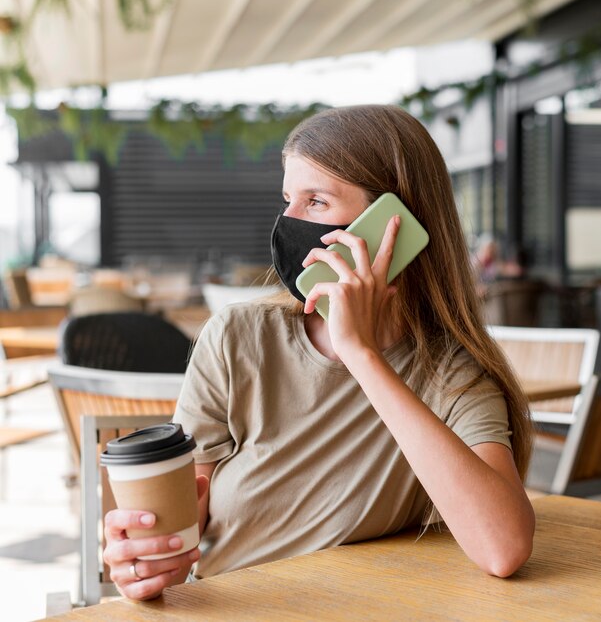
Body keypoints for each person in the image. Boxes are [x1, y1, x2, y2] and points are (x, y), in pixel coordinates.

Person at [103, 105, 535, 601]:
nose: (288, 222)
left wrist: (362, 354)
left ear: (392, 224)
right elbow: (179, 537)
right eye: (288, 199)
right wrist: (144, 564)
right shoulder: (237, 337)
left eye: (316, 202)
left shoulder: (452, 376)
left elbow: (502, 548)